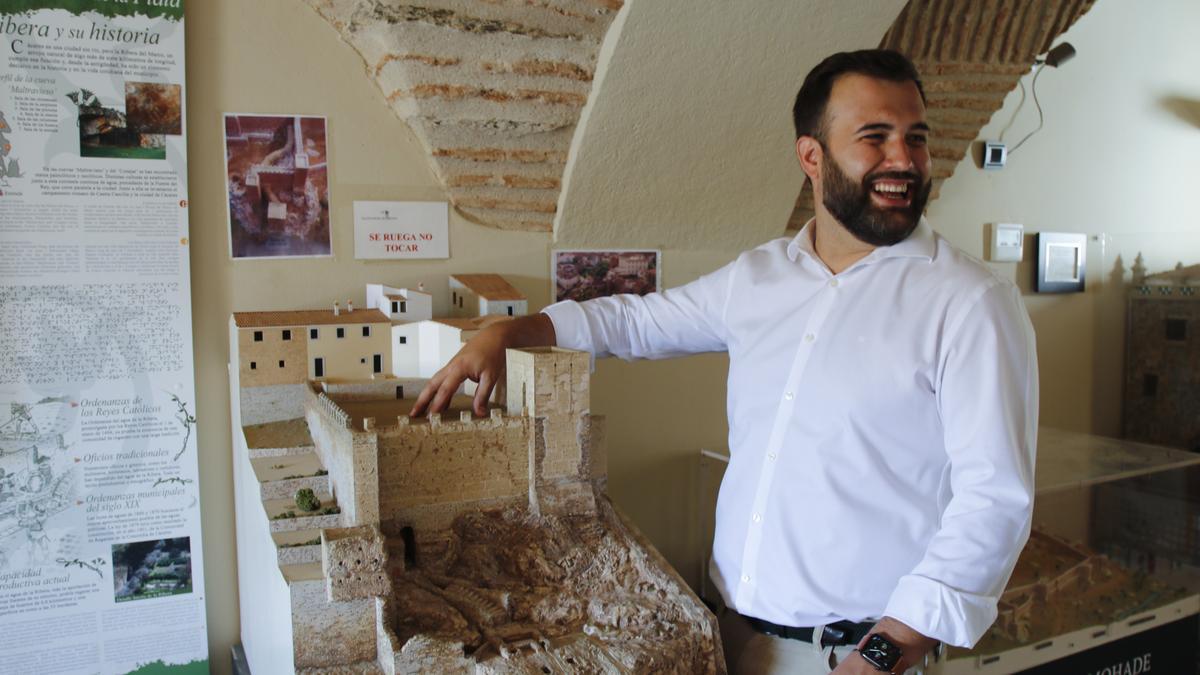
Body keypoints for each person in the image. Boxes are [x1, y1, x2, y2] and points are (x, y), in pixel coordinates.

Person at [412, 49, 1038, 675]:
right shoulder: (760, 276)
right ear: (811, 156)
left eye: (916, 138)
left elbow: (993, 500)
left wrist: (882, 655)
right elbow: (636, 322)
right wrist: (511, 330)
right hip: (731, 635)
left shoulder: (970, 302)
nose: (904, 160)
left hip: (856, 656)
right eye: (874, 138)